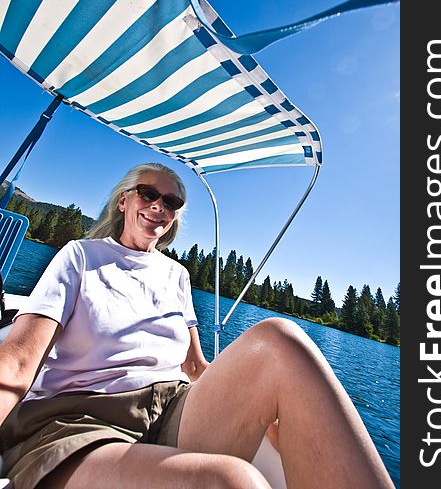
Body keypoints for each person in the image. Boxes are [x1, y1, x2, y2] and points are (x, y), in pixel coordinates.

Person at [0, 163, 395, 489]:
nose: (159, 206)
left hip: (168, 408)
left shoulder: (178, 275)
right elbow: (18, 362)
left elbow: (195, 368)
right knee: (232, 481)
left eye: (171, 201)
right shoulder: (81, 256)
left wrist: (281, 411)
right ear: (124, 200)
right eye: (148, 194)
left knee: (281, 338)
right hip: (81, 421)